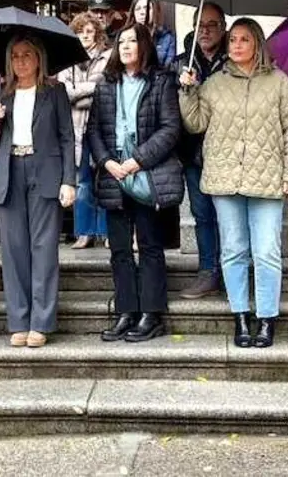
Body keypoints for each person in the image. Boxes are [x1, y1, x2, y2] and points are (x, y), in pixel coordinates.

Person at [179, 18, 288, 349]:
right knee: (234, 250)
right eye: (232, 39)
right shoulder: (215, 83)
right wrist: (188, 89)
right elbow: (195, 124)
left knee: (266, 252)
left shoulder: (278, 82)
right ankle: (240, 316)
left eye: (244, 39)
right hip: (225, 178)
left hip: (266, 179)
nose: (236, 45)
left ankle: (266, 318)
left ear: (257, 44)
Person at [86, 23, 184, 342]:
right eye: (121, 41)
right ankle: (126, 311)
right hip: (114, 175)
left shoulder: (161, 81)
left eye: (133, 41)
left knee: (150, 245)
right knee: (119, 249)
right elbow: (94, 131)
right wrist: (107, 162)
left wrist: (136, 160)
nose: (126, 46)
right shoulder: (105, 84)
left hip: (146, 173)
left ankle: (151, 314)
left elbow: (170, 129)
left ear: (144, 46)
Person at [0, 34, 77, 348]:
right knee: (13, 251)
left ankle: (41, 321)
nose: (20, 60)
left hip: (46, 172)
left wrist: (70, 180)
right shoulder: (0, 92)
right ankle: (19, 320)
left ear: (39, 58)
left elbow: (67, 138)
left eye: (27, 55)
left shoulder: (55, 91)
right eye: (15, 56)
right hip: (11, 171)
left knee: (44, 248)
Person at [176, 3, 228, 299]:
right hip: (193, 153)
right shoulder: (182, 63)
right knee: (202, 215)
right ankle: (208, 272)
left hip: (226, 152)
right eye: (201, 25)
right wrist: (184, 87)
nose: (206, 31)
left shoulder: (232, 60)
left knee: (229, 216)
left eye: (212, 25)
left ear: (223, 28)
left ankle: (231, 270)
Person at [57, 12, 111, 249]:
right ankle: (85, 232)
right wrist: (91, 90)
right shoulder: (66, 59)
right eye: (80, 31)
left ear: (98, 34)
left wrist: (81, 92)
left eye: (90, 31)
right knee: (82, 182)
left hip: (102, 127)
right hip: (77, 129)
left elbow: (106, 90)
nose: (85, 36)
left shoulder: (109, 57)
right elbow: (63, 92)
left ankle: (108, 231)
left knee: (107, 181)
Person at [130, 0, 177, 67]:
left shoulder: (167, 38)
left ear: (155, 10)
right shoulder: (128, 36)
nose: (142, 13)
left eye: (147, 8)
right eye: (138, 9)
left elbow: (168, 67)